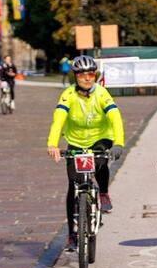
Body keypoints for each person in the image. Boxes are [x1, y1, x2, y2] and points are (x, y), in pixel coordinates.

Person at [46, 55, 126, 251]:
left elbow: (115, 116)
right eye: (83, 75)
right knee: (74, 185)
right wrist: (52, 144)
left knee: (100, 163)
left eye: (91, 74)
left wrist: (118, 143)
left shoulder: (102, 94)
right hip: (75, 141)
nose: (88, 78)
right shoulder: (68, 95)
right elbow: (58, 119)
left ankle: (104, 193)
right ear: (75, 76)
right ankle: (72, 235)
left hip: (101, 138)